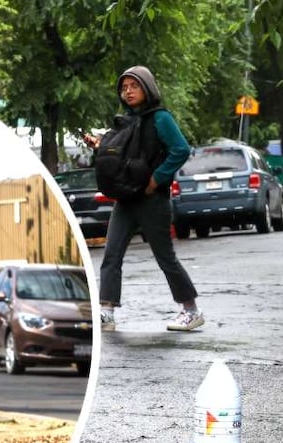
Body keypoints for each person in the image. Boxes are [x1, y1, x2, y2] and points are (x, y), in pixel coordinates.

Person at [95, 65, 203, 332]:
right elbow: (123, 156)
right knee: (111, 254)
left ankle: (191, 310)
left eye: (134, 86)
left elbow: (180, 150)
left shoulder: (160, 118)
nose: (128, 91)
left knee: (164, 256)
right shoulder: (127, 121)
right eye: (124, 87)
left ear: (147, 88)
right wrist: (100, 147)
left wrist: (157, 179)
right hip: (126, 198)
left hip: (151, 200)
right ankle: (106, 312)